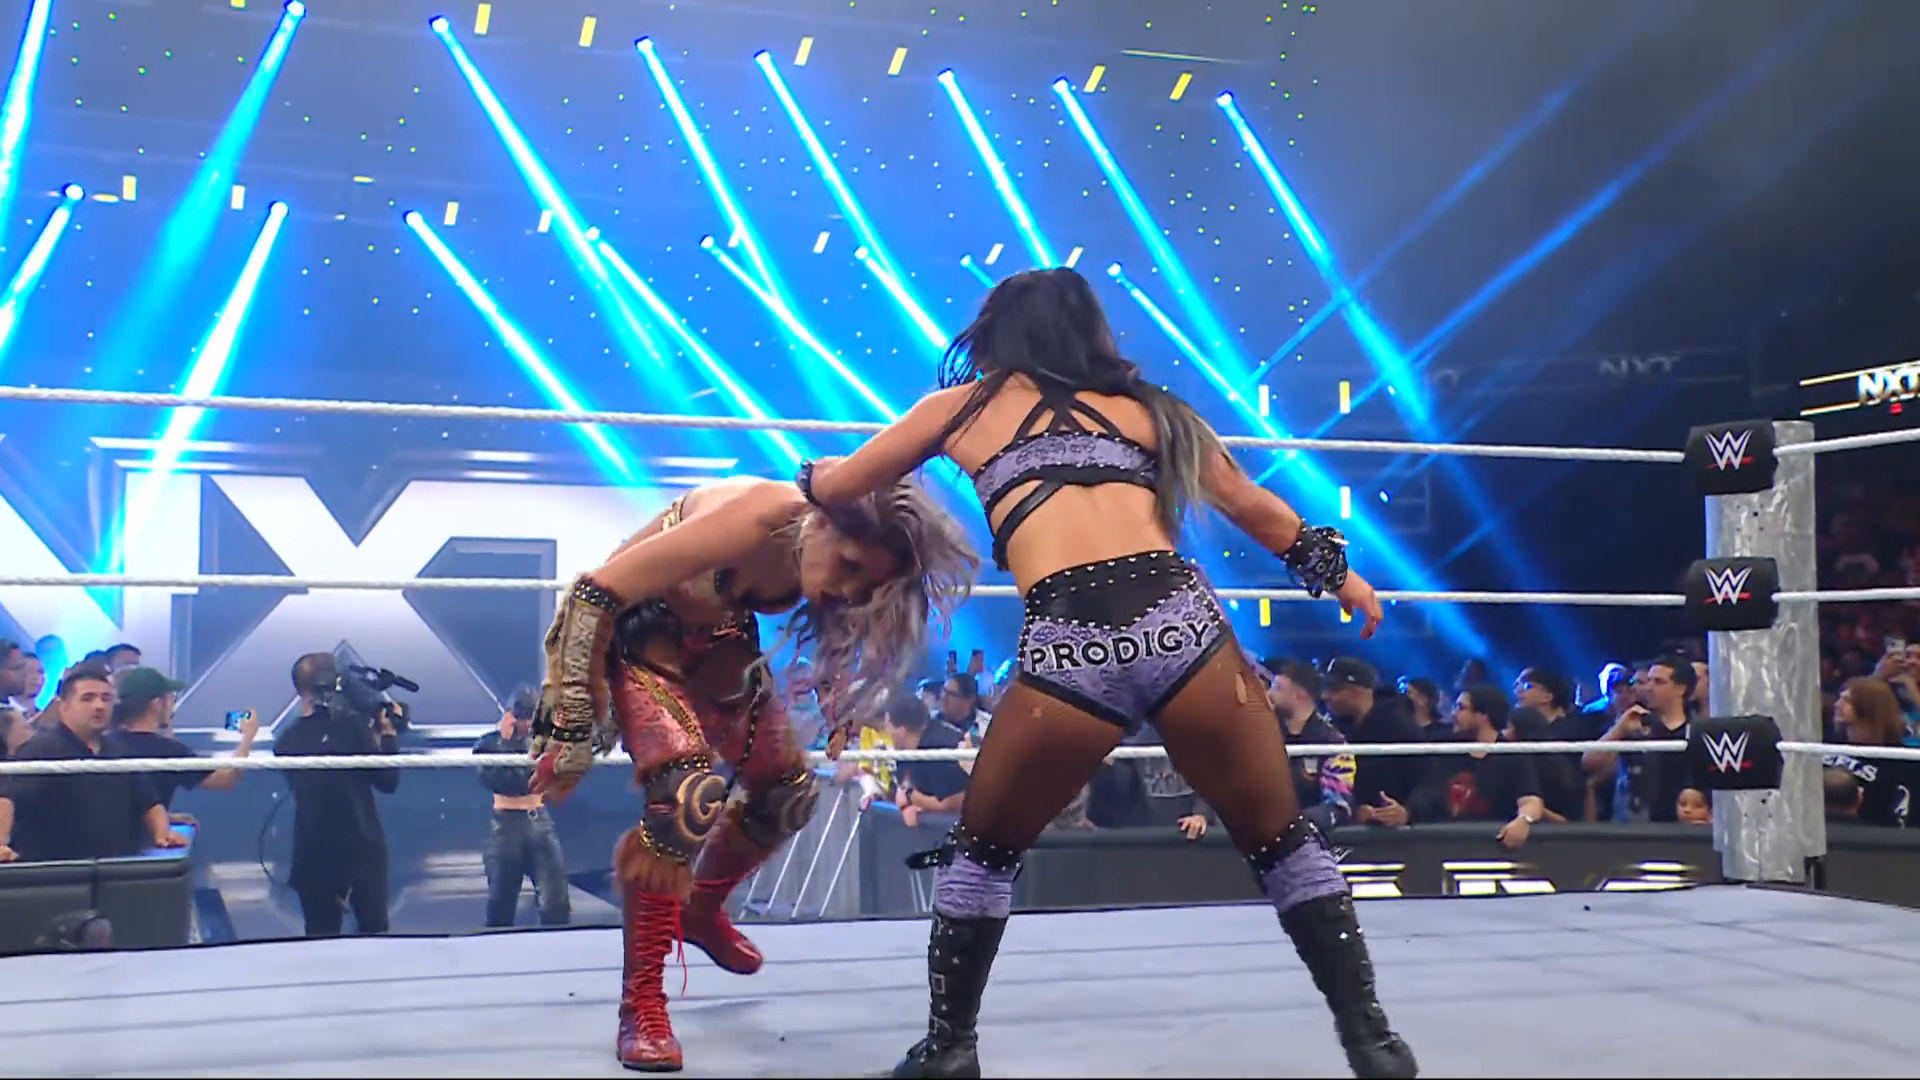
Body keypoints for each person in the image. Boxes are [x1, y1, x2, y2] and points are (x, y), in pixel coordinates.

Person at [800, 267, 1411, 1080]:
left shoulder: (961, 409)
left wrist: (799, 483)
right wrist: (1343, 577)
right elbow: (1253, 506)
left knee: (983, 853)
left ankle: (948, 1050)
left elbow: (841, 484)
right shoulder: (1152, 410)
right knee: (1282, 839)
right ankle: (1374, 1041)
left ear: (995, 333)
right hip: (1181, 626)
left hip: (1071, 642)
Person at [528, 474, 977, 1072]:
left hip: (722, 644)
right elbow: (593, 595)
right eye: (847, 566)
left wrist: (838, 699)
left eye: (863, 583)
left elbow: (835, 623)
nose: (846, 589)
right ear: (822, 522)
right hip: (640, 636)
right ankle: (642, 1003)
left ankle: (699, 910)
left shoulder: (825, 559)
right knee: (685, 799)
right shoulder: (758, 519)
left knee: (790, 793)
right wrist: (571, 723)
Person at [0, 662, 187, 864]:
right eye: (87, 698)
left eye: (106, 698)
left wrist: (162, 833)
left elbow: (149, 802)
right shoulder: (40, 750)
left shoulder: (120, 751)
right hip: (54, 871)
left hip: (114, 869)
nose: (99, 706)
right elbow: (8, 799)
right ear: (64, 707)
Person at [274, 652, 402, 938]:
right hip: (361, 852)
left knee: (320, 938)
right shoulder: (351, 730)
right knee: (374, 935)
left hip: (313, 854)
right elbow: (388, 780)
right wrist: (388, 735)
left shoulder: (285, 743)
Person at [474, 686, 571, 927]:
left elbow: (542, 779)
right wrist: (505, 743)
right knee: (500, 904)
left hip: (539, 820)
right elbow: (500, 782)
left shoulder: (546, 742)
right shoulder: (488, 744)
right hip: (505, 826)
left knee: (555, 902)